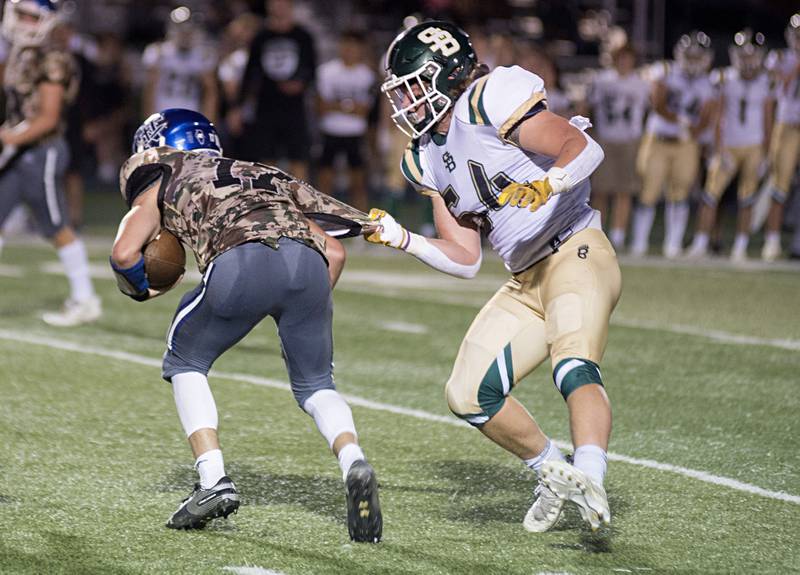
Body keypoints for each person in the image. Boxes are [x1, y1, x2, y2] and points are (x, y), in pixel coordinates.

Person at [372, 21, 619, 533]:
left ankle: (593, 474)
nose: (406, 103)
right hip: (524, 278)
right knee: (466, 393)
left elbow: (583, 148)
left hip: (575, 247)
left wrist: (550, 182)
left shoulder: (490, 98)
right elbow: (465, 258)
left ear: (446, 76)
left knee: (572, 364)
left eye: (413, 87)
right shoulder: (423, 156)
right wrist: (402, 238)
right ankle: (554, 470)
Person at [109, 108, 382, 542]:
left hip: (239, 260)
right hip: (308, 264)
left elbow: (125, 253)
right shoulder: (254, 172)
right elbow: (334, 252)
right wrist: (297, 308)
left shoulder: (164, 171)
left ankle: (212, 480)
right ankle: (353, 459)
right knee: (316, 385)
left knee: (186, 359)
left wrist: (143, 287)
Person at [0, 0, 101, 326]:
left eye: (33, 16)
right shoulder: (21, 53)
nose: (26, 22)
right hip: (20, 151)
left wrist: (8, 138)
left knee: (55, 225)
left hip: (42, 152)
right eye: (22, 14)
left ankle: (85, 299)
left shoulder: (52, 58)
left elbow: (47, 119)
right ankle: (84, 298)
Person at [687, 31, 775, 261]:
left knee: (747, 198)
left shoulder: (766, 81)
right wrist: (718, 148)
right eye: (743, 56)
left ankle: (741, 246)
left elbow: (768, 120)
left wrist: (766, 153)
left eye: (751, 56)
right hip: (729, 147)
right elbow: (718, 116)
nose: (747, 61)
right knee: (710, 195)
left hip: (754, 146)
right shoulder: (724, 78)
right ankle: (700, 242)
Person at [631, 31, 716, 258]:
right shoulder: (666, 71)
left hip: (686, 144)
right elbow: (658, 103)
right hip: (658, 139)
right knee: (649, 191)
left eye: (699, 56)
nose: (694, 60)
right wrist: (680, 122)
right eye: (691, 55)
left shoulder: (708, 82)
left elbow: (707, 117)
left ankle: (673, 243)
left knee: (680, 192)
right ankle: (639, 243)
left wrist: (693, 133)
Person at [229, 0, 316, 181]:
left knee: (298, 159)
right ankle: (270, 205)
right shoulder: (261, 37)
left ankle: (304, 205)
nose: (278, 6)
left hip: (294, 108)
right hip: (266, 106)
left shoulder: (303, 36)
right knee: (267, 161)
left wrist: (300, 83)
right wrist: (237, 107)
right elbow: (250, 74)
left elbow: (312, 70)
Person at [583, 43, 650, 250]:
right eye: (621, 57)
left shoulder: (641, 83)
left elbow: (649, 110)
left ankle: (619, 235)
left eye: (627, 58)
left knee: (625, 190)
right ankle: (597, 232)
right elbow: (587, 106)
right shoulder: (602, 80)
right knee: (601, 190)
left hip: (630, 140)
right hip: (606, 139)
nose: (624, 62)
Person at [316, 30, 376, 212]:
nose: (349, 49)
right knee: (325, 181)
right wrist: (351, 106)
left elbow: (364, 111)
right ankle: (321, 220)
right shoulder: (326, 71)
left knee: (358, 182)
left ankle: (362, 224)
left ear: (361, 49)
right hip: (330, 131)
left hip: (355, 133)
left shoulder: (367, 75)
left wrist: (338, 105)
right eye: (346, 44)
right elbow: (321, 107)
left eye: (354, 46)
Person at [761, 13, 800, 261]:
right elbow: (778, 89)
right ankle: (772, 241)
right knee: (779, 186)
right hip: (786, 126)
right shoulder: (779, 58)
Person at [141, 6, 218, 121]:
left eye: (189, 30)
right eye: (182, 30)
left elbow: (210, 93)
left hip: (192, 114)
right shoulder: (158, 52)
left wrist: (208, 120)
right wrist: (149, 119)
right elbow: (150, 89)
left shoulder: (203, 56)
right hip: (161, 113)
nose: (185, 34)